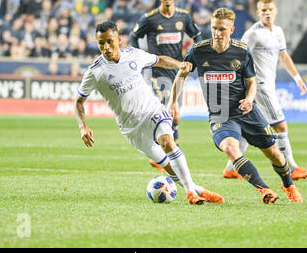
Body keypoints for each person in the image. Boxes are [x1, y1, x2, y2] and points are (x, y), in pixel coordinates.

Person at [75, 21, 224, 205]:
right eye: (101, 43)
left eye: (110, 41)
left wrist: (180, 65)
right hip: (131, 128)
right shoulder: (95, 71)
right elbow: (79, 102)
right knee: (168, 166)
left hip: (152, 110)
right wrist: (83, 126)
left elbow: (159, 60)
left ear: (119, 39)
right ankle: (197, 189)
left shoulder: (134, 55)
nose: (106, 47)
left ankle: (190, 194)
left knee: (167, 142)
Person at [168, 8, 303, 204]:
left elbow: (252, 83)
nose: (217, 33)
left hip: (247, 111)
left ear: (231, 30)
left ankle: (289, 185)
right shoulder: (198, 51)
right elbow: (181, 76)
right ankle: (264, 189)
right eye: (214, 28)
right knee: (230, 148)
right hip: (220, 115)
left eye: (222, 29)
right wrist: (173, 102)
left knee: (273, 153)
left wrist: (249, 99)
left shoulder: (241, 51)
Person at [222, 0, 307, 181]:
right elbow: (238, 55)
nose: (267, 13)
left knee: (251, 127)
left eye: (270, 9)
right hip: (260, 86)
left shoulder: (278, 32)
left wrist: (297, 77)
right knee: (280, 125)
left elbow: (284, 56)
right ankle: (291, 168)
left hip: (268, 85)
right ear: (258, 13)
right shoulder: (253, 33)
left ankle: (231, 167)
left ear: (275, 11)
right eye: (263, 10)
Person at [129, 0, 202, 171]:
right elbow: (133, 36)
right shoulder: (150, 18)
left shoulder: (184, 17)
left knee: (176, 116)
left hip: (178, 72)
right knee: (170, 112)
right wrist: (141, 59)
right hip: (158, 73)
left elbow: (198, 36)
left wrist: (194, 56)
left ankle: (166, 149)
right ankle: (167, 152)